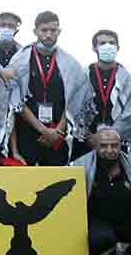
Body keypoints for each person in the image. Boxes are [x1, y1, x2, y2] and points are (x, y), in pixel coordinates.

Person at [7, 11, 93, 167]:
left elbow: (75, 100)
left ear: (59, 32)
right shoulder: (20, 59)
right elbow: (16, 101)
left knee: (56, 182)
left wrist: (58, 130)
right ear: (35, 32)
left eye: (53, 31)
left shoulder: (70, 62)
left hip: (58, 133)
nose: (48, 35)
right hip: (27, 131)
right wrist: (43, 130)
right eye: (44, 30)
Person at [83, 30, 131, 158]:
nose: (108, 46)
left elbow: (128, 114)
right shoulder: (83, 76)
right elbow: (76, 109)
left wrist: (106, 137)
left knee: (114, 177)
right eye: (102, 43)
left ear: (118, 48)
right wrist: (88, 135)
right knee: (84, 176)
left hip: (116, 142)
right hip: (86, 140)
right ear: (94, 47)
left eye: (112, 43)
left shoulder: (129, 80)